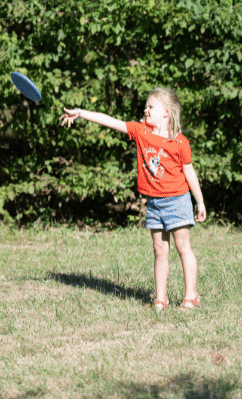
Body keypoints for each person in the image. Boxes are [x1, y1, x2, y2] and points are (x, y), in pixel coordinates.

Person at [59, 87, 207, 311]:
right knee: (159, 248)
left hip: (178, 200)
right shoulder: (141, 132)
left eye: (150, 106)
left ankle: (190, 297)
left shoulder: (180, 142)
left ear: (166, 112)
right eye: (145, 106)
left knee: (182, 246)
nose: (145, 110)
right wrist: (80, 112)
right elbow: (109, 121)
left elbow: (189, 172)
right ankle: (160, 299)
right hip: (155, 203)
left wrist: (200, 201)